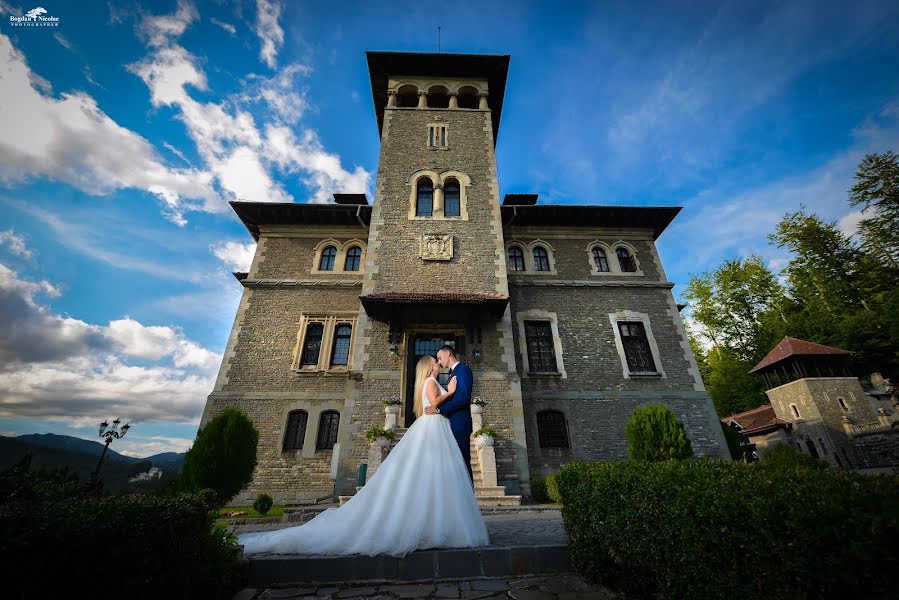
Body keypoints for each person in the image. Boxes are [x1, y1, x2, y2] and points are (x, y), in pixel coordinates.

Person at [238, 355, 489, 557]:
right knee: (431, 474)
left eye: (439, 359)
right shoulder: (431, 382)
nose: (438, 362)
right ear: (428, 367)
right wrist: (451, 391)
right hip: (433, 428)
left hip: (436, 429)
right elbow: (430, 406)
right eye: (435, 361)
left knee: (431, 476)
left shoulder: (431, 381)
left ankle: (435, 522)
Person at [425, 345, 474, 482]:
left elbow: (463, 398)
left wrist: (440, 409)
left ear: (448, 354)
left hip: (460, 423)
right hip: (450, 422)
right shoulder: (453, 373)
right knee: (455, 462)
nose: (439, 362)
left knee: (462, 460)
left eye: (440, 358)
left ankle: (468, 497)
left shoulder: (463, 370)